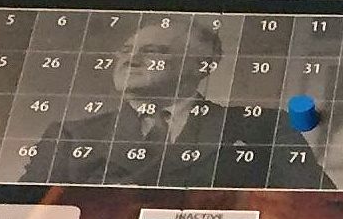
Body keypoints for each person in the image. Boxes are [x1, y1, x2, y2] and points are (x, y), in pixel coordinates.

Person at [28, 20, 229, 186]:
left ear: (201, 66)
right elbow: (34, 208)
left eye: (153, 51)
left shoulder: (240, 128)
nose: (130, 59)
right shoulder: (70, 136)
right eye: (125, 50)